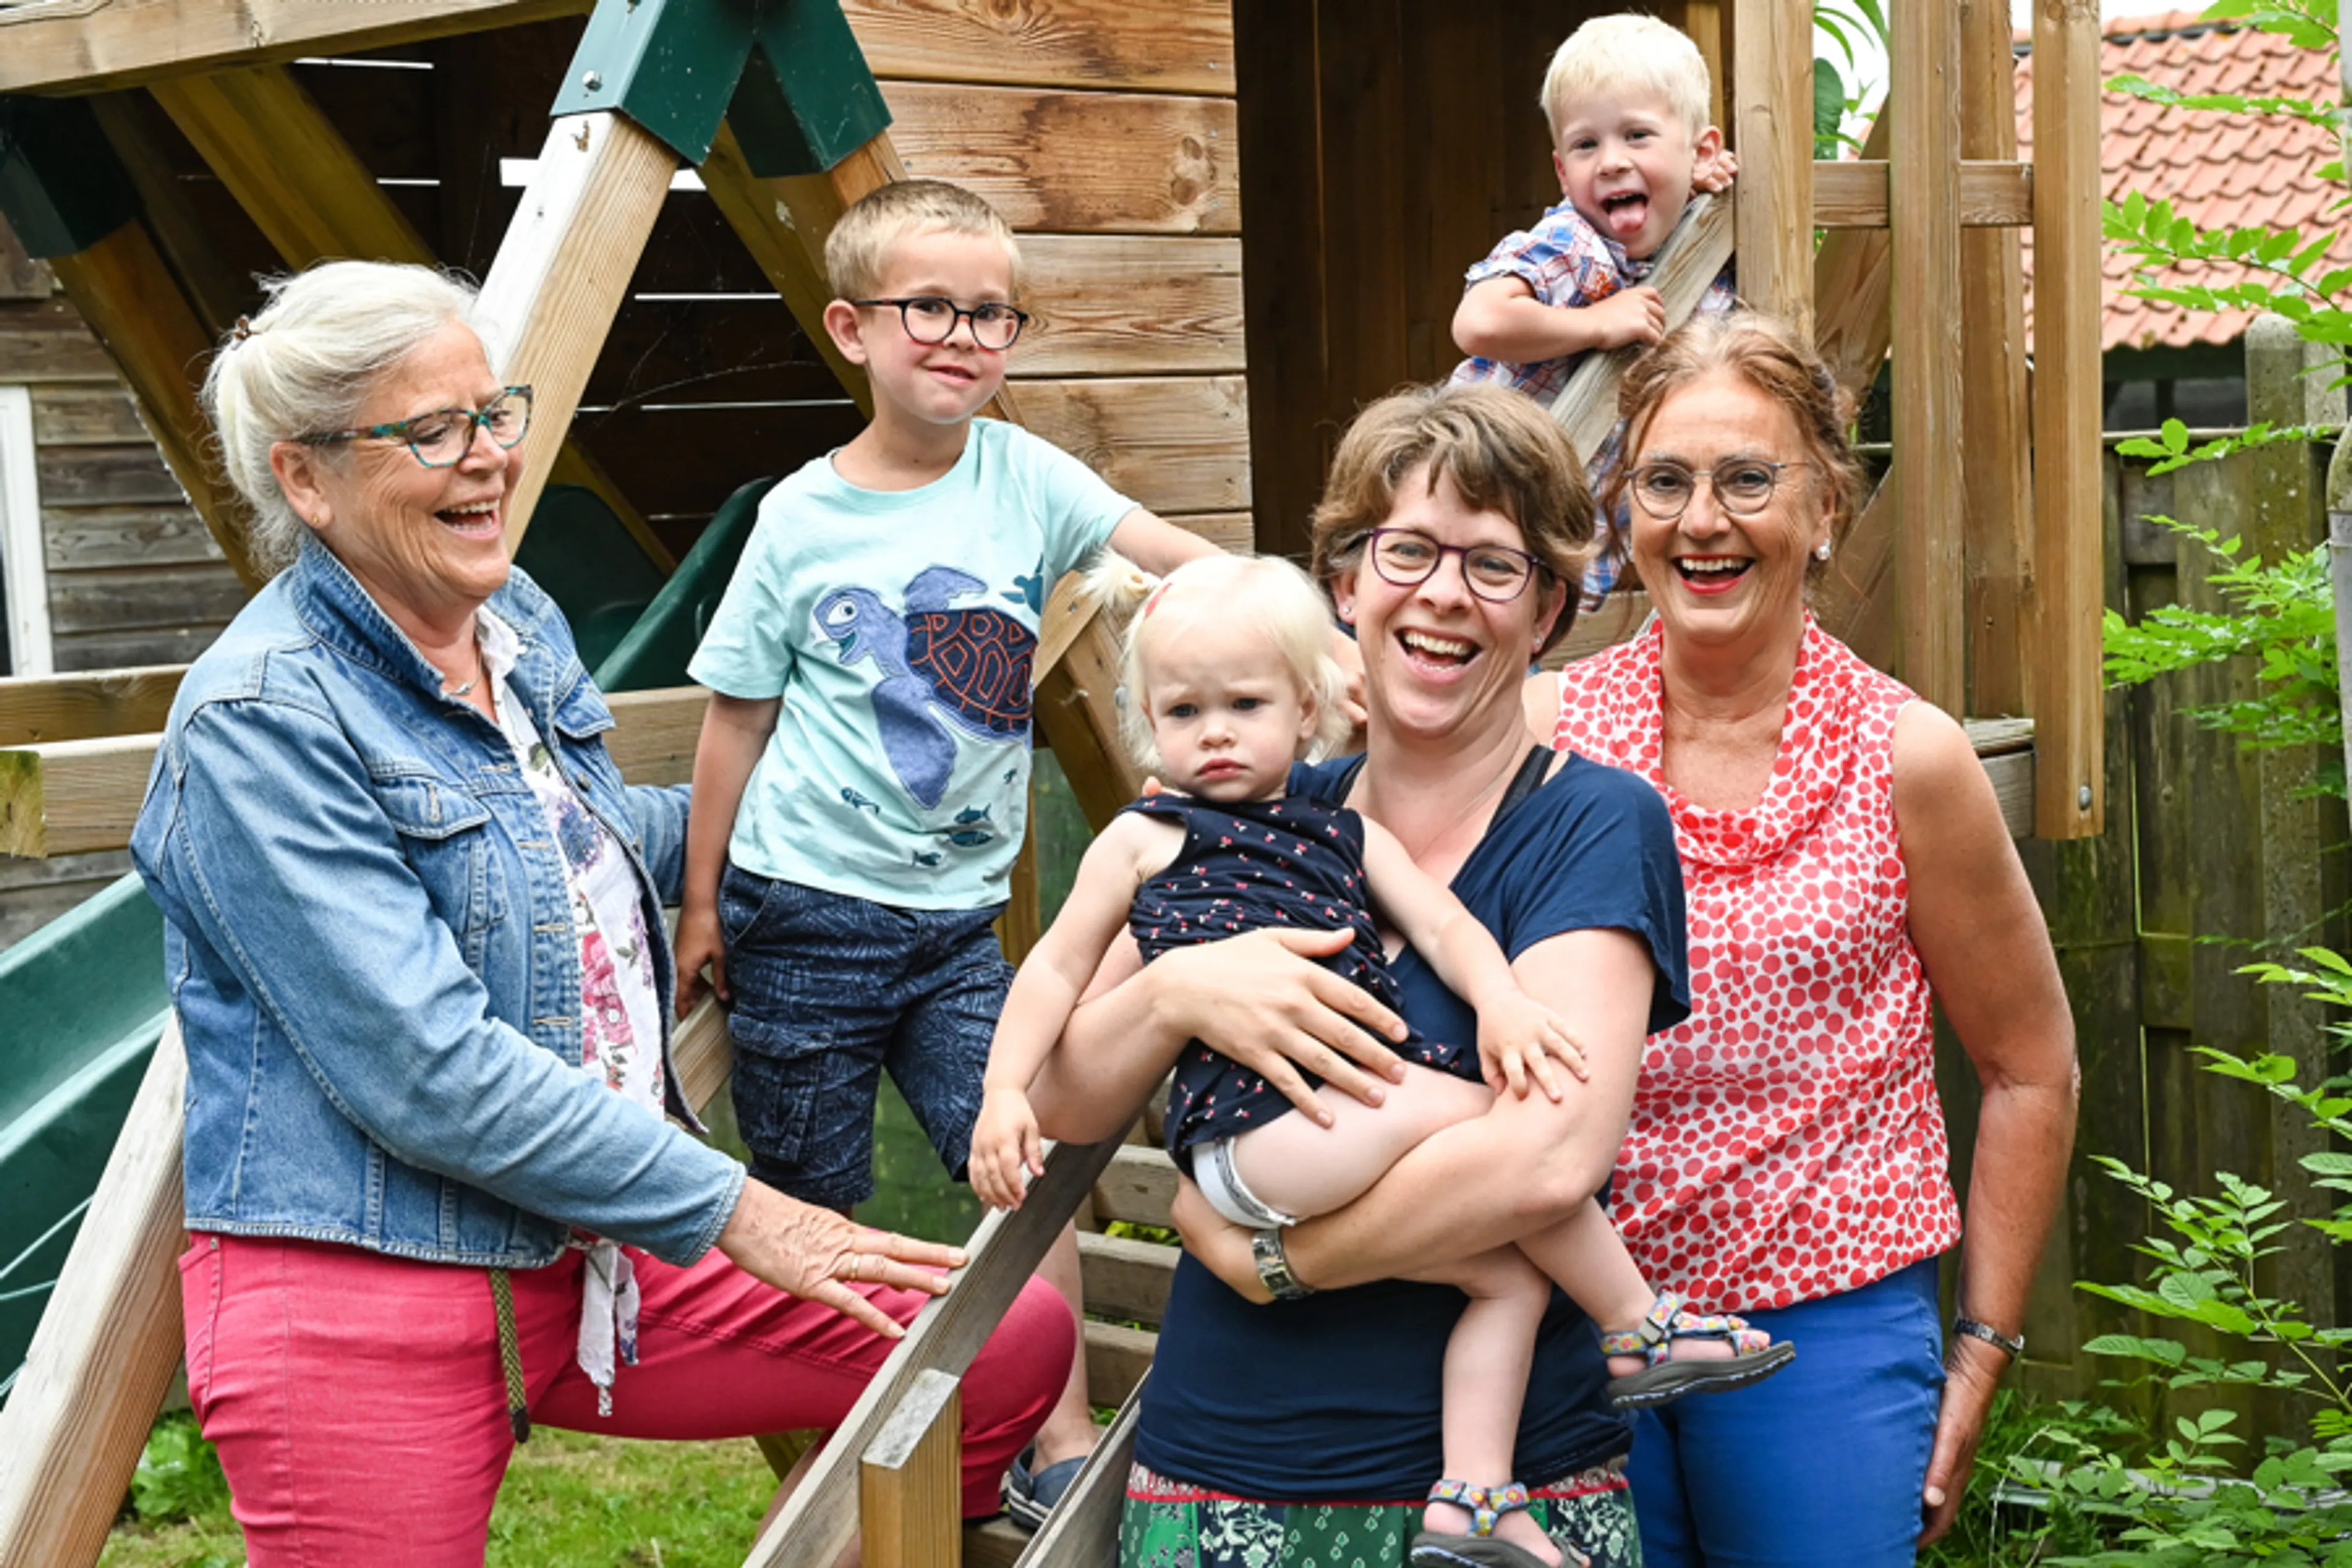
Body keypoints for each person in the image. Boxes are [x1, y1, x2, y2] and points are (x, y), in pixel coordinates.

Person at [130, 259, 1076, 1566]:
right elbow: (428, 1069)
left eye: (494, 411)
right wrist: (747, 1208)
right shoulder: (260, 719)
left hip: (596, 1254)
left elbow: (581, 850)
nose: (491, 460)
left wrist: (833, 810)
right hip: (368, 1282)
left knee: (1003, 1340)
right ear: (307, 477)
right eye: (434, 431)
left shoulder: (509, 614)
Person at [974, 551, 1788, 1566]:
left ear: (1305, 705)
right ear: (1147, 723)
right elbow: (1053, 973)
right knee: (1504, 1123)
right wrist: (1019, 1081)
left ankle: (1476, 1501)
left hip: (1324, 1152)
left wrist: (1501, 1006)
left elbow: (1445, 931)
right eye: (1183, 713)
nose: (1216, 732)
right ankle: (1636, 1322)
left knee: (1512, 1282)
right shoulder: (1152, 839)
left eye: (1244, 704)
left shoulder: (1346, 834)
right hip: (1268, 1140)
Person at [673, 178, 1222, 1523]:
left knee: (1020, 1139)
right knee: (818, 1192)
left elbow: (1169, 556)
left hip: (957, 921)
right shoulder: (801, 517)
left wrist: (1294, 628)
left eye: (993, 313)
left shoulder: (1025, 476)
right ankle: (833, 1455)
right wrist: (702, 900)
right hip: (802, 911)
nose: (965, 335)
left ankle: (1059, 1426)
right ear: (854, 327)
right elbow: (735, 715)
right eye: (932, 307)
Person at [1529, 311, 2080, 1566]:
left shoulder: (1907, 756)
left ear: (1827, 505)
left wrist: (1983, 1346)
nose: (1702, 520)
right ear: (1622, 508)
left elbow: (2030, 1064)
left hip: (1823, 1328)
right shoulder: (1540, 737)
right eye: (1664, 481)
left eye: (1747, 478)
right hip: (1563, 1313)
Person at [1451, 12, 1737, 608]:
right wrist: (1596, 323)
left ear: (1701, 149)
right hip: (1481, 495)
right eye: (1586, 144)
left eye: (1637, 136)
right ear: (1562, 171)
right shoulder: (1574, 243)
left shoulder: (1707, 242)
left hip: (1563, 534)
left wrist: (1704, 185)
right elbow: (1478, 322)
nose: (1610, 161)